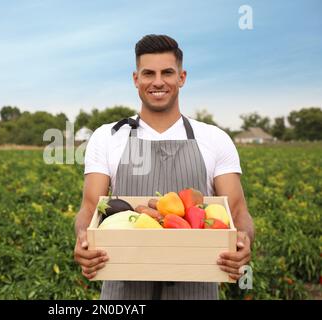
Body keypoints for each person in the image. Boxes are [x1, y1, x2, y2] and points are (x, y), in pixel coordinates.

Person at [73, 34, 254, 300]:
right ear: (136, 79)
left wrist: (242, 242)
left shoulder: (214, 138)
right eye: (148, 73)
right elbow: (89, 210)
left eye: (167, 72)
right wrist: (83, 240)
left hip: (197, 290)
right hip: (124, 294)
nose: (158, 82)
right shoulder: (107, 137)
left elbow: (238, 212)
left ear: (182, 77)